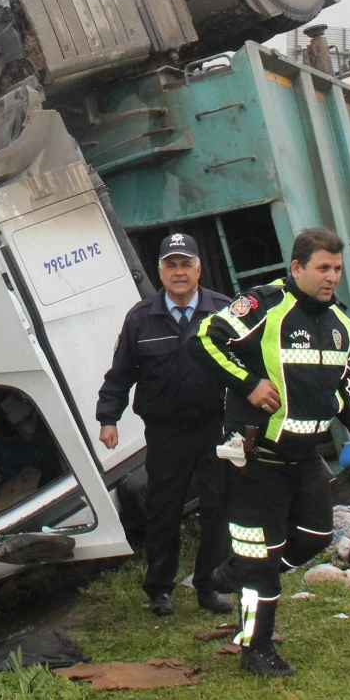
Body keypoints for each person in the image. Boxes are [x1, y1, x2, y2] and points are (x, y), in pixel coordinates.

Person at [189, 227, 350, 677]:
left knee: (315, 536)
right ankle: (256, 649)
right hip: (256, 457)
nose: (332, 277)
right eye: (322, 268)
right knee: (262, 562)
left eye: (337, 269)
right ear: (297, 268)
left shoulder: (341, 322)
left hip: (305, 457)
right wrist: (249, 383)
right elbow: (203, 339)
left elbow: (343, 383)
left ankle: (238, 573)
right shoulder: (265, 304)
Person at [95, 232, 234, 617]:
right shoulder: (141, 319)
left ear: (198, 268)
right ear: (159, 271)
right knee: (163, 510)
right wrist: (109, 417)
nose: (179, 272)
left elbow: (248, 368)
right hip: (166, 434)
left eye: (185, 264)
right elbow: (121, 373)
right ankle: (160, 590)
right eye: (171, 265)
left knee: (217, 507)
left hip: (215, 428)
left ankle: (209, 584)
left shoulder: (222, 312)